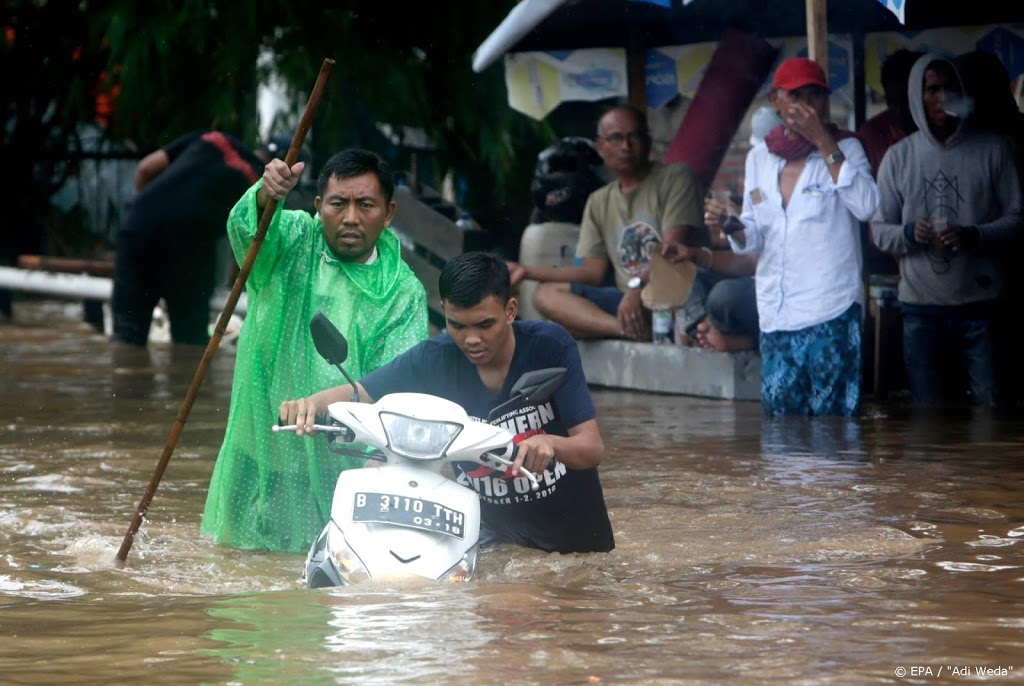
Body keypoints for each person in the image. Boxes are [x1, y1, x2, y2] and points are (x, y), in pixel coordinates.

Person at [280, 252, 615, 554]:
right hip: (492, 543)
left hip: (575, 543)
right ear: (444, 312)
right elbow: (360, 393)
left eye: (485, 325)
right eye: (457, 325)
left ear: (510, 310)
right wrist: (311, 405)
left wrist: (550, 443)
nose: (471, 339)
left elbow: (591, 448)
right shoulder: (434, 359)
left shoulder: (550, 346)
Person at [201, 148, 430, 553]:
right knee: (235, 577)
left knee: (319, 582)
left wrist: (328, 405)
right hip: (259, 444)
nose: (351, 218)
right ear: (320, 205)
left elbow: (398, 384)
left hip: (336, 463)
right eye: (339, 204)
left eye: (366, 205)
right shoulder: (293, 241)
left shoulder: (402, 292)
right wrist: (264, 194)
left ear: (389, 212)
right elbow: (246, 230)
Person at [709, 57, 880, 416]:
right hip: (776, 314)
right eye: (796, 95)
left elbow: (867, 207)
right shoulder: (759, 158)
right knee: (782, 432)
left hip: (830, 311)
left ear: (827, 102)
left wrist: (822, 140)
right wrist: (729, 223)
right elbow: (754, 237)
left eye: (815, 95)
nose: (806, 105)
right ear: (776, 101)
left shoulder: (846, 149)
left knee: (834, 428)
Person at [870, 54, 1023, 407]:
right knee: (929, 421)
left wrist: (974, 235)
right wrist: (911, 234)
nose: (942, 98)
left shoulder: (994, 149)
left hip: (981, 308)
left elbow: (1018, 219)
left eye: (950, 88)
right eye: (932, 89)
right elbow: (879, 231)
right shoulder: (898, 157)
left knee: (990, 416)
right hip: (921, 311)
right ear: (916, 96)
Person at [507, 104, 704, 341]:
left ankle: (630, 327)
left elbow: (671, 252)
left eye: (634, 137)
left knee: (567, 327)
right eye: (616, 138)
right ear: (601, 147)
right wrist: (526, 271)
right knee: (545, 296)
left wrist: (636, 287)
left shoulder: (676, 178)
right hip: (627, 302)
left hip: (674, 294)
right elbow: (592, 273)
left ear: (648, 142)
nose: (626, 146)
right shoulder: (599, 200)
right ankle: (627, 331)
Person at [110, 130, 266, 345]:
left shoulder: (213, 138)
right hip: (190, 248)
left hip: (139, 229)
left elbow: (146, 167)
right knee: (189, 342)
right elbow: (250, 243)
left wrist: (145, 213)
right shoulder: (262, 187)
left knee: (126, 337)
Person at [858, 49, 923, 177]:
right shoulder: (872, 134)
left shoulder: (940, 130)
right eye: (892, 101)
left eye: (906, 100)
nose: (900, 110)